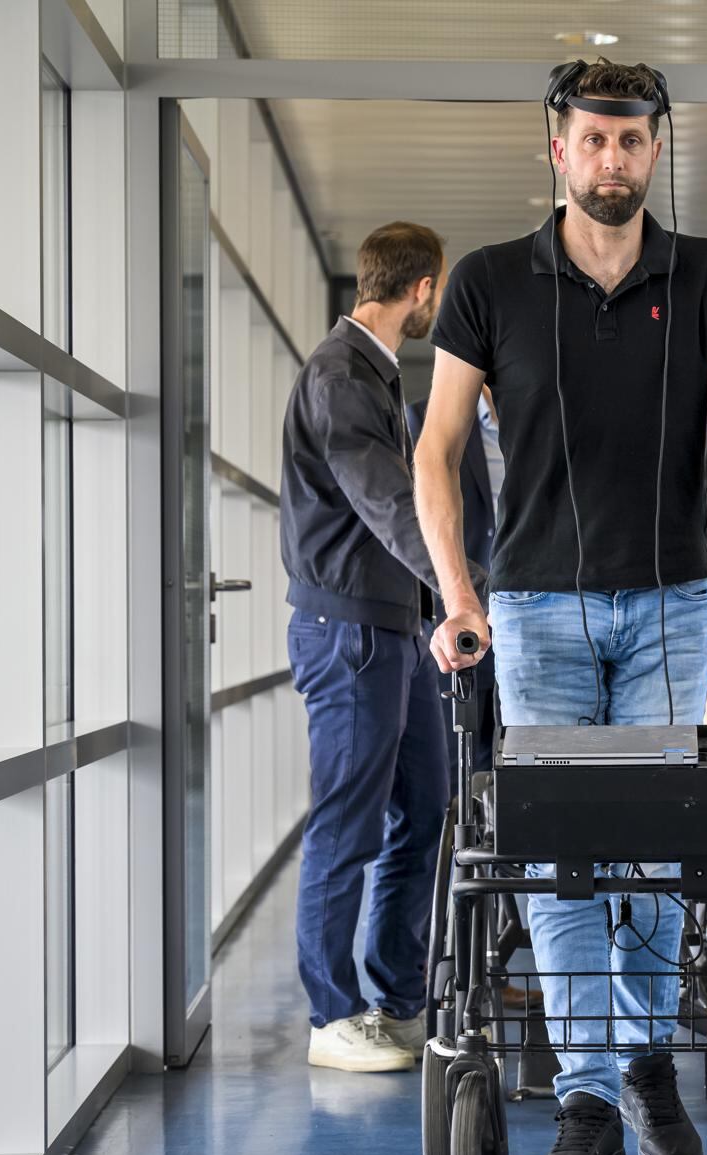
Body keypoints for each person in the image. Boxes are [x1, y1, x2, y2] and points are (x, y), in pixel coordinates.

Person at [413, 59, 707, 1155]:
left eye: (631, 142)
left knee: (660, 847)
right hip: (533, 611)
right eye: (593, 140)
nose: (612, 160)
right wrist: (458, 597)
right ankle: (585, 1094)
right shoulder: (489, 282)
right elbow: (433, 451)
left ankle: (639, 1068)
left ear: (655, 150)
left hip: (675, 604)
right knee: (559, 852)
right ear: (557, 149)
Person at [280, 221, 456, 1072]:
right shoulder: (343, 373)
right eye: (439, 291)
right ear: (423, 287)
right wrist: (460, 588)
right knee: (347, 822)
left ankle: (396, 998)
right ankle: (331, 1015)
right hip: (348, 630)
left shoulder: (375, 373)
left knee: (424, 807)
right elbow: (387, 502)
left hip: (396, 630)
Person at [407, 386, 501, 776]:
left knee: (522, 767)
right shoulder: (426, 418)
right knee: (459, 770)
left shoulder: (542, 414)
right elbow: (417, 526)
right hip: (464, 618)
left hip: (534, 620)